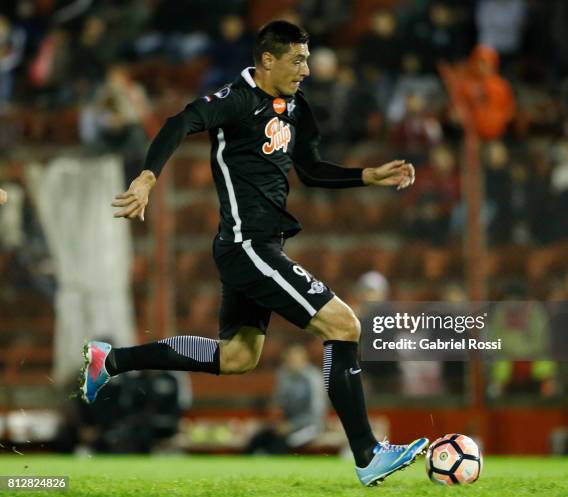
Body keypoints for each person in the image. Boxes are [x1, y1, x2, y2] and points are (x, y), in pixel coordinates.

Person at [80, 21, 427, 486]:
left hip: (256, 246)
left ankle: (112, 361)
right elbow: (178, 123)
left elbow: (310, 168)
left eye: (307, 59)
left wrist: (369, 176)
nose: (306, 69)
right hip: (247, 245)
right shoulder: (236, 100)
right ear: (268, 59)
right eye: (298, 60)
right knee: (345, 324)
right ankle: (367, 454)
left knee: (238, 357)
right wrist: (147, 177)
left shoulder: (295, 106)